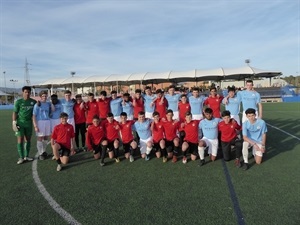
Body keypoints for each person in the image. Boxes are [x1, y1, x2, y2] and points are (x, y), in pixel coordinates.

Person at [12, 86, 37, 164]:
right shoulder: (19, 102)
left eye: (29, 92)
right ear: (23, 92)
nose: (27, 94)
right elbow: (15, 112)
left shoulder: (33, 102)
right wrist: (14, 122)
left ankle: (27, 156)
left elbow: (36, 111)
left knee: (28, 139)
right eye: (26, 92)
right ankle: (21, 157)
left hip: (29, 123)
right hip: (20, 123)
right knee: (20, 139)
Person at [32, 90, 54, 160]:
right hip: (40, 122)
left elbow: (53, 110)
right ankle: (40, 153)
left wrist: (51, 103)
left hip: (47, 121)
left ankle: (44, 151)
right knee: (40, 137)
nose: (44, 97)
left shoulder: (48, 104)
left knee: (46, 137)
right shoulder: (37, 104)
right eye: (43, 96)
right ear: (40, 97)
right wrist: (35, 126)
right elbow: (34, 116)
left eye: (45, 96)